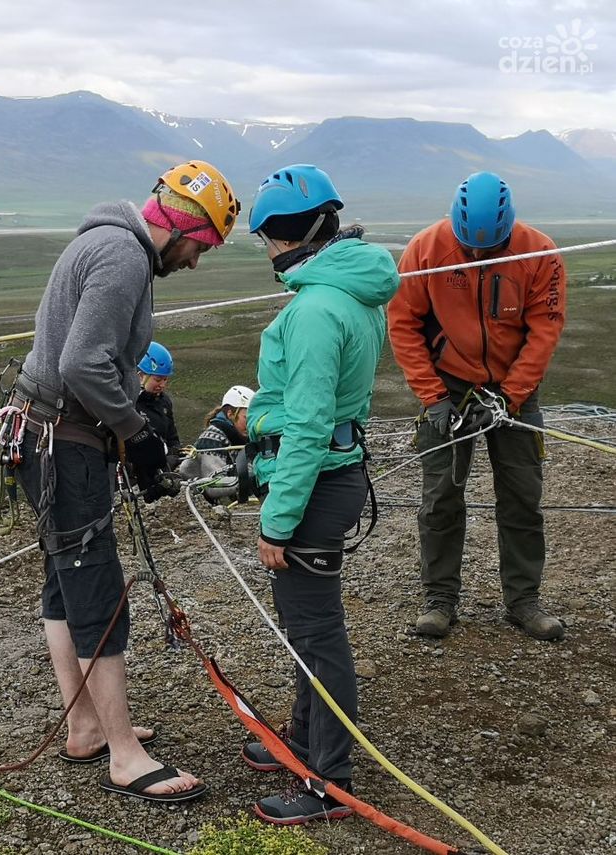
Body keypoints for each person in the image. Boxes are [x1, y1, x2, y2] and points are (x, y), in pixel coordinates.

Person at [10, 161, 239, 803]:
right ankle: (124, 755)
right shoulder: (123, 255)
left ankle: (85, 727)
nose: (195, 262)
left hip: (44, 433)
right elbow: (82, 363)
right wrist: (136, 432)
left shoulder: (105, 242)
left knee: (64, 581)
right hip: (66, 442)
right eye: (202, 246)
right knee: (97, 588)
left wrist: (124, 431)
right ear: (182, 223)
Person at [240, 164, 399, 824]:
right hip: (339, 474)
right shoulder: (352, 293)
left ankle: (326, 782)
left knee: (317, 635)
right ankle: (303, 742)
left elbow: (306, 425)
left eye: (266, 241)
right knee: (310, 629)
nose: (268, 255)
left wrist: (276, 522)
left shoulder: (312, 310)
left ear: (286, 236)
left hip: (312, 486)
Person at [388, 172, 566, 641]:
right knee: (440, 499)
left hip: (515, 390)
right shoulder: (426, 250)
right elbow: (404, 325)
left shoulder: (539, 252)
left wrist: (511, 397)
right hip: (449, 388)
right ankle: (439, 600)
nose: (481, 256)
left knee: (523, 498)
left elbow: (544, 329)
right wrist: (433, 396)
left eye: (493, 247)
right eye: (471, 249)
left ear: (510, 227)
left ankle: (524, 601)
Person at [135, 341, 182, 469]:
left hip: (164, 467)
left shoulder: (164, 402)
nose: (162, 385)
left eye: (165, 379)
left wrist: (173, 456)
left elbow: (173, 438)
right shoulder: (129, 403)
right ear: (141, 376)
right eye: (158, 379)